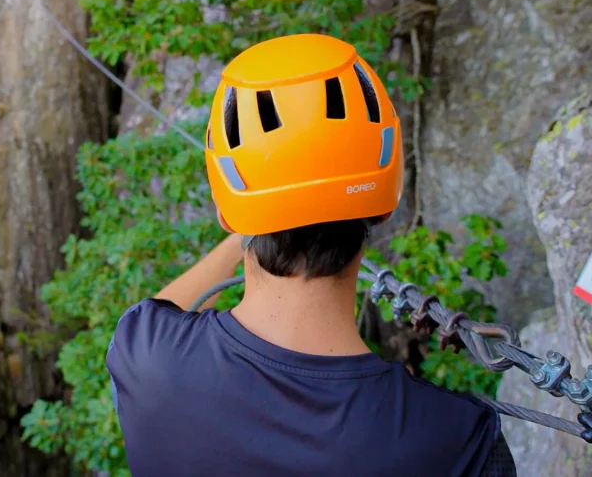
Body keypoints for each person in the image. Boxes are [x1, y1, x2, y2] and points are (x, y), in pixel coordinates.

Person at [106, 34, 517, 476]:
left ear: (229, 216)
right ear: (382, 207)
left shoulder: (147, 362)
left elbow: (159, 312)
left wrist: (252, 215)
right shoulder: (455, 439)